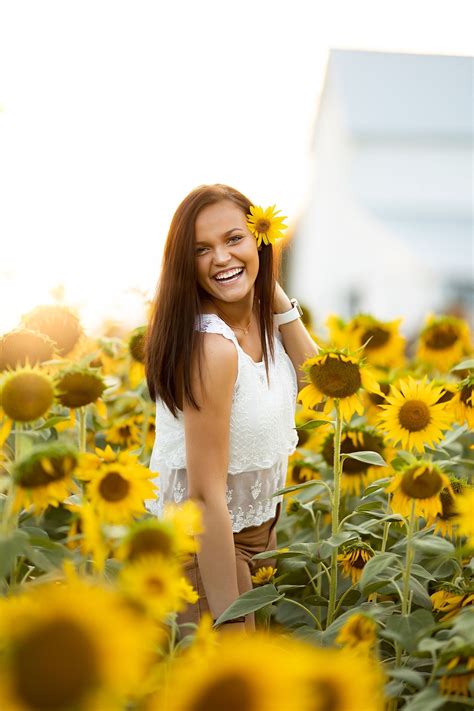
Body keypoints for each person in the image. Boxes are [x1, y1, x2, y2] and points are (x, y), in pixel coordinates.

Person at [144, 184, 319, 635]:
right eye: (202, 249)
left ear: (260, 238)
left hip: (256, 541)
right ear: (186, 263)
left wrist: (274, 295)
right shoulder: (212, 349)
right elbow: (204, 499)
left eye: (234, 239)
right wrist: (228, 621)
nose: (221, 258)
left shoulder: (262, 322)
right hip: (208, 550)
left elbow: (320, 383)